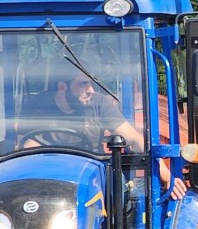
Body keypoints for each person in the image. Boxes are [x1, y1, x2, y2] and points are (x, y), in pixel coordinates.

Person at [20, 65, 187, 199]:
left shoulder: (99, 103)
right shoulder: (37, 105)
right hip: (48, 170)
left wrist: (165, 173)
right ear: (63, 87)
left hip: (92, 170)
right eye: (83, 84)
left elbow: (134, 138)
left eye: (91, 83)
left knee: (120, 188)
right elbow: (24, 146)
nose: (91, 90)